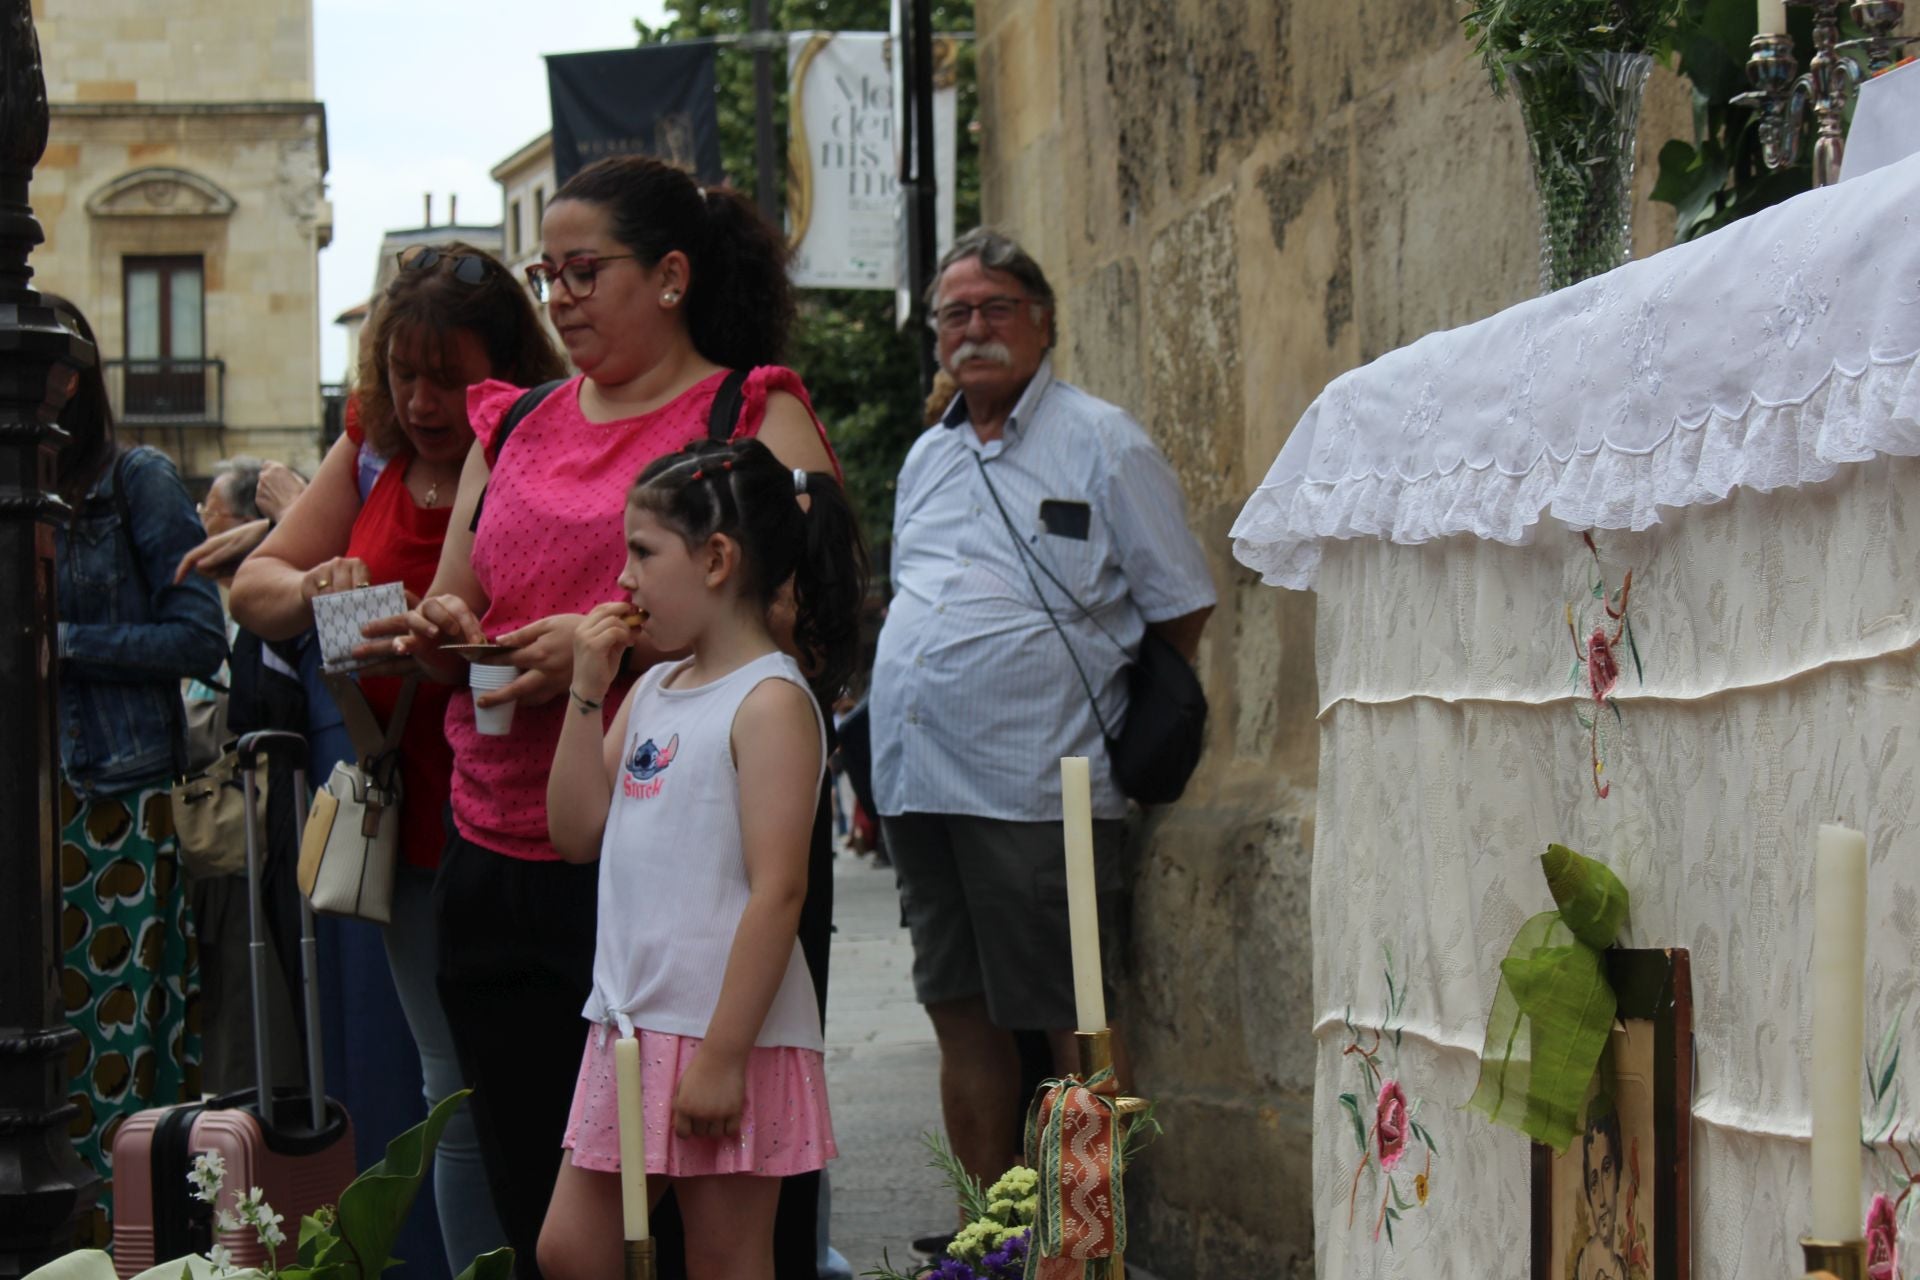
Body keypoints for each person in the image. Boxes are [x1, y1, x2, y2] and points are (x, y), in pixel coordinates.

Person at [359, 155, 841, 1280]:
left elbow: (805, 619)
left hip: (692, 861)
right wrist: (444, 629)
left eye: (585, 271)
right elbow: (462, 593)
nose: (561, 297)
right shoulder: (516, 418)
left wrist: (607, 645)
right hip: (509, 834)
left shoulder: (748, 410)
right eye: (548, 275)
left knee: (714, 1220)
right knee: (542, 1190)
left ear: (670, 275)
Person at [229, 244, 565, 1278]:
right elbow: (255, 587)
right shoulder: (368, 445)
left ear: (503, 370)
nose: (421, 402)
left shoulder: (537, 442)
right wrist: (321, 590)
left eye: (449, 378)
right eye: (403, 372)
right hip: (406, 812)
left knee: (533, 1080)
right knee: (448, 1088)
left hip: (521, 811)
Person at [869, 229, 1217, 1201]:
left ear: (1043, 321)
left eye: (996, 308)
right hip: (919, 780)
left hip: (1036, 783)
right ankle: (990, 1236)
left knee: (1076, 1021)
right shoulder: (927, 456)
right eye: (955, 313)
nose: (974, 328)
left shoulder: (1103, 441)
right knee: (959, 1014)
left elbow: (1181, 604)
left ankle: (1090, 1240)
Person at [536, 437, 866, 1280]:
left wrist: (723, 1056)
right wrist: (586, 689)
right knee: (572, 1251)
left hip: (727, 1031)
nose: (624, 579)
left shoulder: (770, 701)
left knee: (725, 1259)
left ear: (717, 560)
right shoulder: (653, 689)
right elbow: (575, 832)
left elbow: (779, 890)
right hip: (632, 1026)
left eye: (642, 553)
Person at [45, 294, 227, 1239]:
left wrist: (61, 644)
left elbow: (200, 638)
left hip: (116, 803)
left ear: (66, 382)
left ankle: (126, 1244)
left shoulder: (134, 481)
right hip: (35, 811)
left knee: (116, 1053)